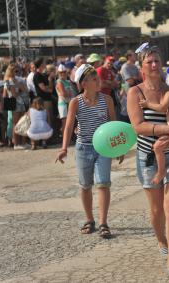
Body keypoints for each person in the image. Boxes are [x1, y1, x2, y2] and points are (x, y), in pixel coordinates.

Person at [127, 43, 169, 278]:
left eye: (157, 60)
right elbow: (138, 126)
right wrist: (165, 128)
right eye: (150, 62)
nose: (155, 65)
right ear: (142, 67)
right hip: (149, 155)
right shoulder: (135, 92)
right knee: (157, 209)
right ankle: (162, 241)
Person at [56, 64, 121, 239]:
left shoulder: (106, 99)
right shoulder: (75, 102)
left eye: (97, 78)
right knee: (85, 186)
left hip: (103, 148)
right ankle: (89, 219)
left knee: (103, 184)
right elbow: (69, 126)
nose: (98, 81)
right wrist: (64, 148)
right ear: (84, 83)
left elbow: (113, 124)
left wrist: (118, 147)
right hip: (83, 147)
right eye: (94, 79)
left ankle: (103, 223)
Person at [4, 64, 29, 150]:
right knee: (15, 123)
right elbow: (13, 94)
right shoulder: (8, 80)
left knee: (22, 122)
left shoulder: (16, 79)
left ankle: (22, 143)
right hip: (13, 102)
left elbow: (26, 90)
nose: (17, 72)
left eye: (18, 71)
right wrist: (20, 88)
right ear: (10, 71)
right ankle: (16, 143)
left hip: (19, 102)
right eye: (15, 71)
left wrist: (20, 87)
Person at [33, 58, 55, 130]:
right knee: (47, 118)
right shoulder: (37, 75)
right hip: (43, 100)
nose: (45, 65)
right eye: (44, 63)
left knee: (50, 118)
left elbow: (49, 86)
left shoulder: (44, 75)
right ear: (41, 65)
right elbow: (43, 88)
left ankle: (50, 135)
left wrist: (50, 81)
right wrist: (50, 89)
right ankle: (47, 137)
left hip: (48, 99)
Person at [56, 64, 75, 137]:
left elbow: (72, 93)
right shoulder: (59, 81)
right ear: (58, 73)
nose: (63, 74)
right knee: (64, 122)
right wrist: (69, 93)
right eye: (61, 73)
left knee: (69, 121)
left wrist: (68, 93)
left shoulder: (68, 81)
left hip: (69, 103)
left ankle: (68, 136)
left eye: (64, 72)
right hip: (63, 104)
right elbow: (64, 94)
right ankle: (64, 137)